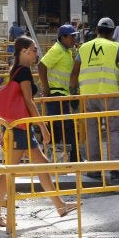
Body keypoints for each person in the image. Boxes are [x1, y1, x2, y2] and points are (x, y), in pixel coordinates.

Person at [0, 36, 78, 228]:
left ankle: (60, 205)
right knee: (8, 171)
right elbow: (28, 102)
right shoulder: (24, 72)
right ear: (24, 51)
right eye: (34, 49)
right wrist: (43, 127)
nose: (37, 52)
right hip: (21, 127)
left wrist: (4, 128)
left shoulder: (15, 70)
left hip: (20, 126)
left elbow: (10, 102)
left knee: (40, 165)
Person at [70, 17, 119, 182]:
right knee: (114, 131)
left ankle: (93, 168)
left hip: (88, 95)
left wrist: (72, 93)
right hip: (109, 95)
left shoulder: (83, 48)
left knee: (91, 131)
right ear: (112, 32)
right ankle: (117, 169)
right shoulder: (115, 47)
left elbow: (75, 72)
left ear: (97, 30)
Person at [37, 24, 79, 162]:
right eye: (72, 37)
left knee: (58, 128)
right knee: (64, 127)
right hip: (56, 95)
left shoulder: (66, 51)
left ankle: (52, 158)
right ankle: (73, 158)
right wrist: (46, 87)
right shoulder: (57, 50)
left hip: (62, 94)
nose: (74, 39)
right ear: (63, 37)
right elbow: (42, 65)